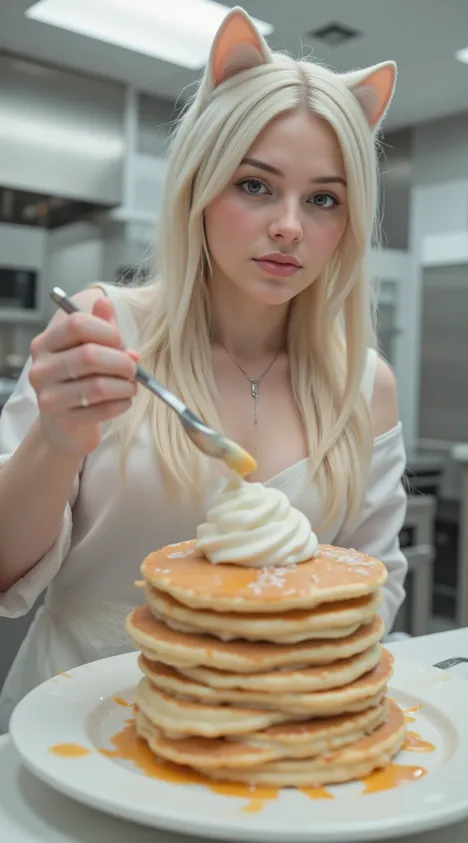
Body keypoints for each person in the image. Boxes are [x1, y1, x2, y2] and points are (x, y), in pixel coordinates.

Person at [0, 6, 407, 731]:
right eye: (255, 185)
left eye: (323, 199)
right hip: (75, 721)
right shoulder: (103, 331)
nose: (289, 223)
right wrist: (55, 438)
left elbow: (371, 588)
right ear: (199, 184)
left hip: (265, 732)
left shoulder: (364, 386)